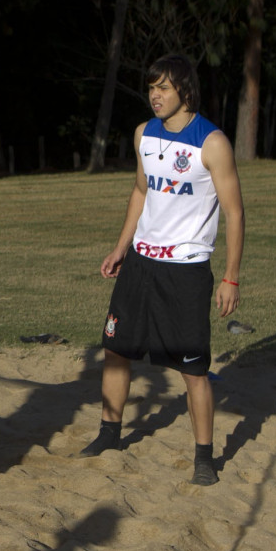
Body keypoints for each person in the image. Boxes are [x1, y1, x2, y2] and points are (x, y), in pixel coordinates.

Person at [78, 54, 244, 487]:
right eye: (151, 87)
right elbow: (140, 191)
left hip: (185, 273)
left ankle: (204, 458)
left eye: (164, 87)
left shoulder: (212, 143)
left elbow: (234, 212)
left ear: (185, 91)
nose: (155, 95)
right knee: (116, 351)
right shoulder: (143, 135)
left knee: (193, 370)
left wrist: (230, 277)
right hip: (140, 265)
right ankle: (108, 435)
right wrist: (120, 248)